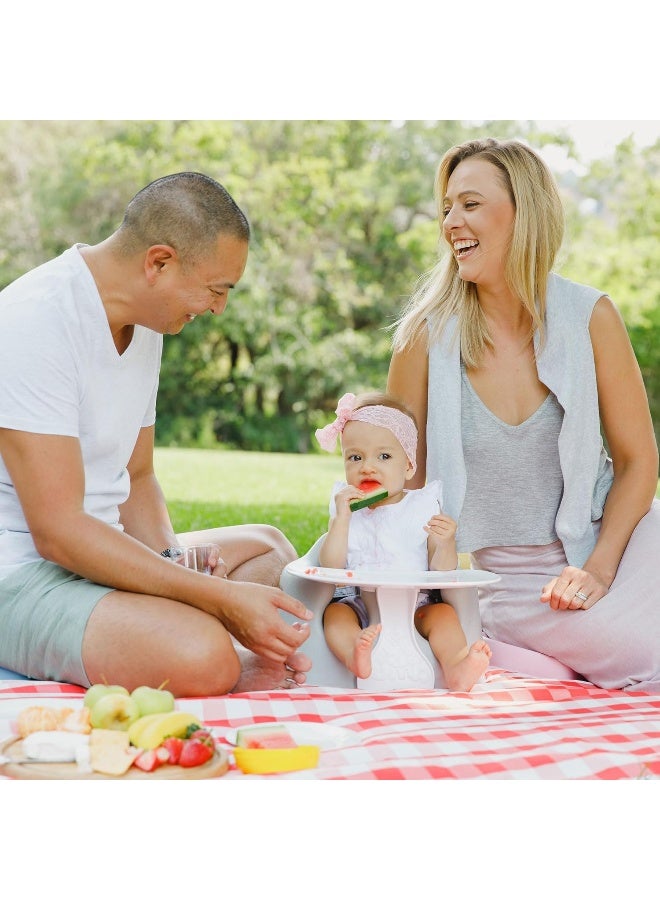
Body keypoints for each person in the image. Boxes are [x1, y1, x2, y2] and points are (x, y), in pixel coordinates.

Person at [0, 172, 313, 697]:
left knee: (271, 551)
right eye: (216, 290)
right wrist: (209, 597)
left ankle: (203, 647)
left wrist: (172, 563)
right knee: (200, 654)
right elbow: (59, 532)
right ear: (159, 262)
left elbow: (138, 475)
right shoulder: (34, 321)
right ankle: (216, 658)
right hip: (23, 574)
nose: (219, 309)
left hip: (100, 555)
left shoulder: (146, 324)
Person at [388, 137, 660, 693]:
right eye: (447, 208)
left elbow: (638, 461)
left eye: (470, 204)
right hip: (509, 582)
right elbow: (399, 486)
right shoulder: (423, 338)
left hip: (619, 544)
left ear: (524, 211)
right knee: (648, 654)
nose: (451, 223)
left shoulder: (591, 317)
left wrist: (600, 569)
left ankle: (560, 665)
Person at [314, 391, 491, 691]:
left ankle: (457, 666)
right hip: (358, 602)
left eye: (384, 456)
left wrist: (445, 542)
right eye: (355, 457)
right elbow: (330, 564)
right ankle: (354, 653)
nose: (367, 467)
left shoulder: (422, 506)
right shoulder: (345, 507)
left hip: (417, 604)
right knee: (334, 616)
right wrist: (341, 520)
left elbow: (443, 570)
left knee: (443, 617)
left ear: (408, 466)